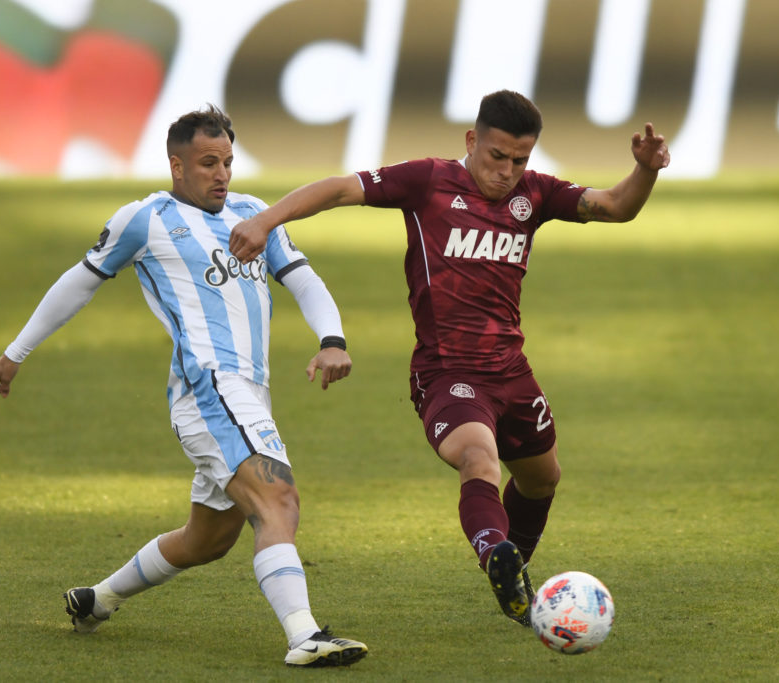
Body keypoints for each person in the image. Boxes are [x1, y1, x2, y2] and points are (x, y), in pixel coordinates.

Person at [228, 90, 670, 626]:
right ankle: (495, 554)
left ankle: (514, 577)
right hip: (447, 373)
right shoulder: (428, 181)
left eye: (520, 160)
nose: (508, 171)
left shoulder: (536, 194)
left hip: (512, 371)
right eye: (497, 157)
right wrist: (266, 220)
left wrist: (643, 170)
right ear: (471, 141)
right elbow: (341, 188)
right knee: (478, 458)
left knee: (541, 480)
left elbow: (614, 206)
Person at [0, 105, 368, 667]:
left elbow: (305, 281)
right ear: (177, 165)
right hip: (209, 389)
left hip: (248, 393)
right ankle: (304, 636)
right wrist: (15, 353)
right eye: (208, 163)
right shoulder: (145, 219)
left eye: (228, 162)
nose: (222, 174)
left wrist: (332, 338)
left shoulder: (255, 215)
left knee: (207, 540)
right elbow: (79, 282)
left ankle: (99, 599)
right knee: (278, 498)